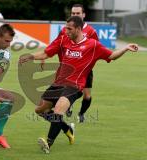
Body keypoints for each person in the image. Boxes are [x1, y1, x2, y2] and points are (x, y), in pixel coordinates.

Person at [19, 16, 138, 154]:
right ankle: (66, 129)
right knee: (40, 111)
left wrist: (125, 49)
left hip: (74, 86)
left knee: (58, 111)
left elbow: (111, 55)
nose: (66, 30)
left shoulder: (93, 45)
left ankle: (48, 143)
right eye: (66, 27)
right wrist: (30, 57)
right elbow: (47, 53)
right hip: (58, 83)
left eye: (69, 28)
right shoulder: (64, 39)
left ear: (78, 29)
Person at [59, 4, 99, 123]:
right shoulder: (65, 29)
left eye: (78, 13)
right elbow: (59, 46)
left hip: (85, 69)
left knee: (87, 96)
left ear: (83, 15)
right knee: (69, 91)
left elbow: (96, 49)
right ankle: (68, 104)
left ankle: (81, 113)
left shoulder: (91, 31)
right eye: (73, 13)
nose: (75, 15)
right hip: (70, 69)